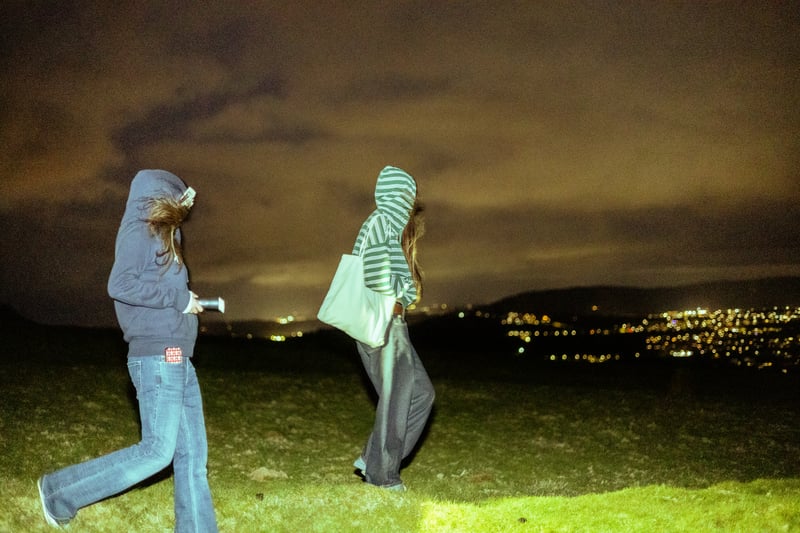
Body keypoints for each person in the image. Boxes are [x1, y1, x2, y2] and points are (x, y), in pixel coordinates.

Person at [37, 170, 218, 532]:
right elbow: (120, 284)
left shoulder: (168, 234)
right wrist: (179, 298)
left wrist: (187, 303)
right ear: (163, 196)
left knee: (193, 457)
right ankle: (59, 493)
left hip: (177, 356)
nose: (188, 206)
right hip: (157, 356)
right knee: (157, 451)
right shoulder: (140, 228)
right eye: (182, 199)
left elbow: (166, 294)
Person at [351, 165, 435, 491]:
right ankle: (383, 477)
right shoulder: (382, 222)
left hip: (392, 323)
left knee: (422, 395)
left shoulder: (388, 225)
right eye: (407, 196)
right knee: (396, 401)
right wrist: (400, 291)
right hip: (384, 322)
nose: (410, 203)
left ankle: (372, 458)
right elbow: (373, 273)